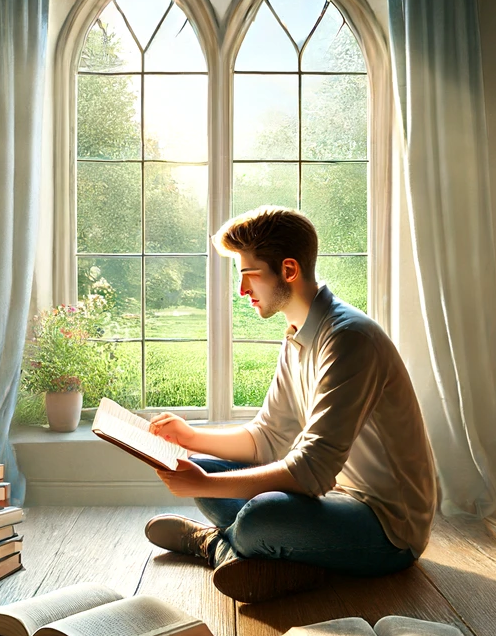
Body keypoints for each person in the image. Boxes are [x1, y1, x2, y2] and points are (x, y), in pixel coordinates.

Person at [142, 206, 438, 603]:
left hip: (387, 527)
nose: (242, 290)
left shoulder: (350, 340)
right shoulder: (298, 334)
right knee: (205, 468)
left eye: (249, 275)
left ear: (289, 270)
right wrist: (190, 438)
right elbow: (268, 436)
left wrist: (205, 485)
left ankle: (217, 546)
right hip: (330, 498)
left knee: (258, 518)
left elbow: (311, 471)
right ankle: (270, 553)